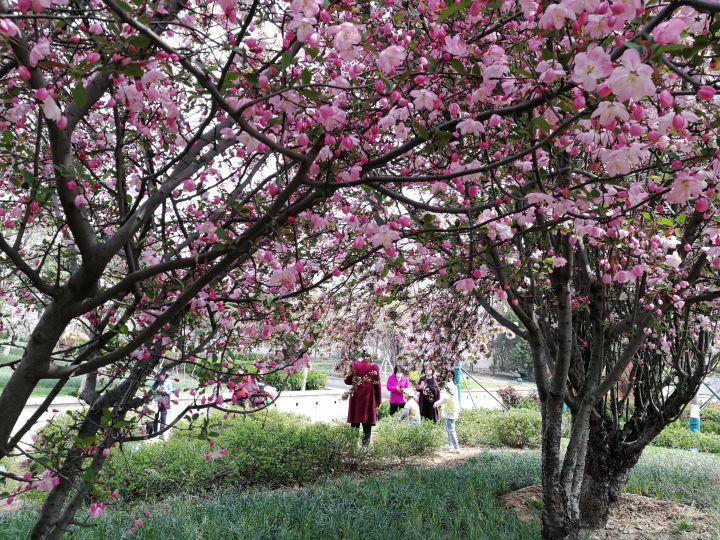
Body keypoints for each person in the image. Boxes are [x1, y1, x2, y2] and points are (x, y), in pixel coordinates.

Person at [344, 351, 382, 445]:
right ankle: (364, 449)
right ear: (371, 355)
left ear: (361, 354)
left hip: (356, 399)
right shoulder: (374, 367)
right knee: (367, 425)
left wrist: (347, 374)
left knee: (355, 424)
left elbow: (347, 381)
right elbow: (377, 385)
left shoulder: (354, 365)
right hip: (368, 399)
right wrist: (378, 401)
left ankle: (352, 448)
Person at [434, 385, 460, 453]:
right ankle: (450, 445)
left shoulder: (449, 395)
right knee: (449, 430)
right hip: (450, 414)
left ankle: (456, 447)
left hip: (451, 415)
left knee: (451, 431)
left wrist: (436, 404)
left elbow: (444, 400)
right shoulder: (453, 393)